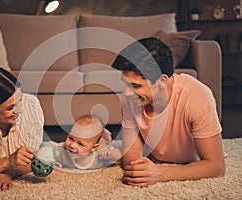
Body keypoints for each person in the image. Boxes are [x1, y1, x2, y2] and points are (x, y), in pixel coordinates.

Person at [111, 37, 225, 187]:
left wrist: (161, 173)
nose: (127, 92)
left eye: (135, 85)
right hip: (155, 156)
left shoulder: (197, 95)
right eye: (125, 84)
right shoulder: (132, 98)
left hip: (193, 161)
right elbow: (130, 155)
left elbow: (216, 167)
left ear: (163, 80)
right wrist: (140, 170)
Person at [47, 115, 122, 170]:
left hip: (103, 142)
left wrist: (114, 154)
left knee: (110, 142)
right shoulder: (62, 152)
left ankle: (105, 133)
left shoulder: (100, 153)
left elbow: (120, 153)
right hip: (91, 142)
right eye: (71, 138)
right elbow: (49, 147)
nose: (72, 145)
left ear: (93, 148)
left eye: (80, 144)